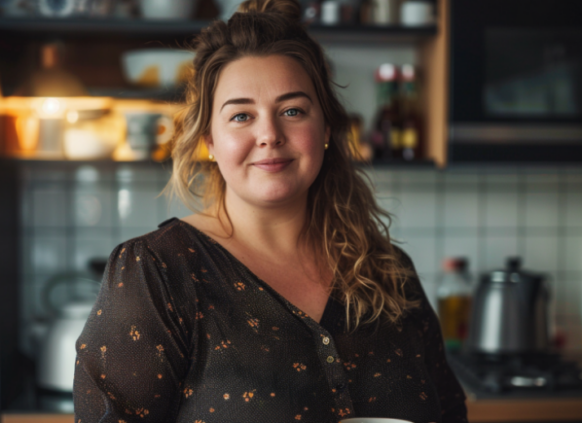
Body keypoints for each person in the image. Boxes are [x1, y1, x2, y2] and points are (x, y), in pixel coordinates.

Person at [73, 0, 468, 421]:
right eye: (242, 116)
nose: (269, 135)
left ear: (327, 128)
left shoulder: (388, 271)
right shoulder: (156, 274)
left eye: (292, 111)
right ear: (209, 140)